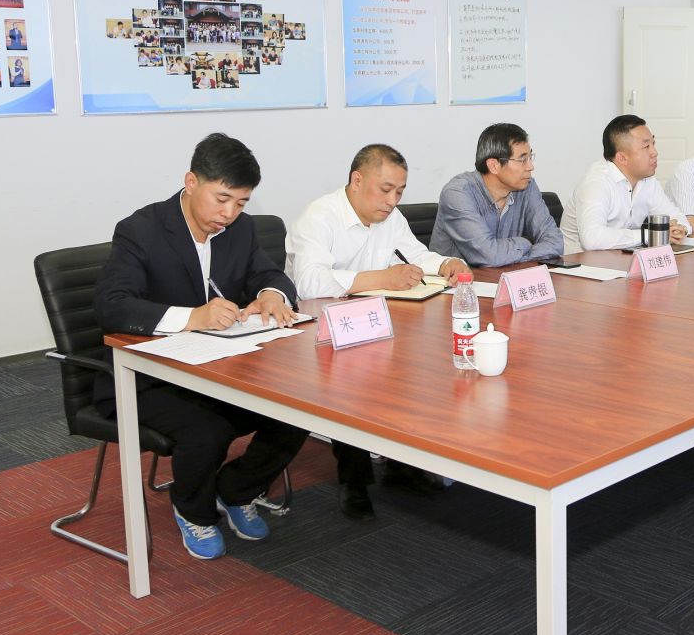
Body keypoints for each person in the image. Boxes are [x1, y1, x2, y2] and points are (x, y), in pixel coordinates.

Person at [93, 133, 308, 560]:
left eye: (241, 203)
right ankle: (193, 509)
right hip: (146, 379)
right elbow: (112, 306)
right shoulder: (141, 230)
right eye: (222, 199)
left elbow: (270, 274)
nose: (229, 214)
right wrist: (191, 317)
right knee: (206, 430)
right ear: (191, 182)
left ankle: (236, 489)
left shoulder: (240, 229)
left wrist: (271, 294)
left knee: (299, 408)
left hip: (217, 368)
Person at [287, 143, 471, 516]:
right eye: (386, 189)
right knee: (351, 385)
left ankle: (402, 466)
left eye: (399, 192)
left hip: (374, 321)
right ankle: (354, 481)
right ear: (357, 180)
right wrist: (380, 278)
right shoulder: (319, 217)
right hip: (319, 331)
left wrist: (446, 263)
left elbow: (415, 254)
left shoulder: (390, 217)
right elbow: (308, 283)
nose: (392, 201)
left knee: (411, 372)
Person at [431, 123, 564, 266]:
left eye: (530, 157)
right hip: (459, 279)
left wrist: (509, 254)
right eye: (522, 160)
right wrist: (526, 242)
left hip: (504, 275)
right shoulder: (457, 193)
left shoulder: (527, 187)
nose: (530, 166)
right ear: (494, 166)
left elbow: (556, 243)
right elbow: (489, 256)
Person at [561, 115, 691, 252]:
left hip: (620, 257)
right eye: (646, 146)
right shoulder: (596, 182)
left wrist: (679, 229)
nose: (655, 153)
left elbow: (678, 218)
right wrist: (652, 235)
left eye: (653, 144)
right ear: (622, 158)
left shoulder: (648, 181)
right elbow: (592, 239)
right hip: (580, 262)